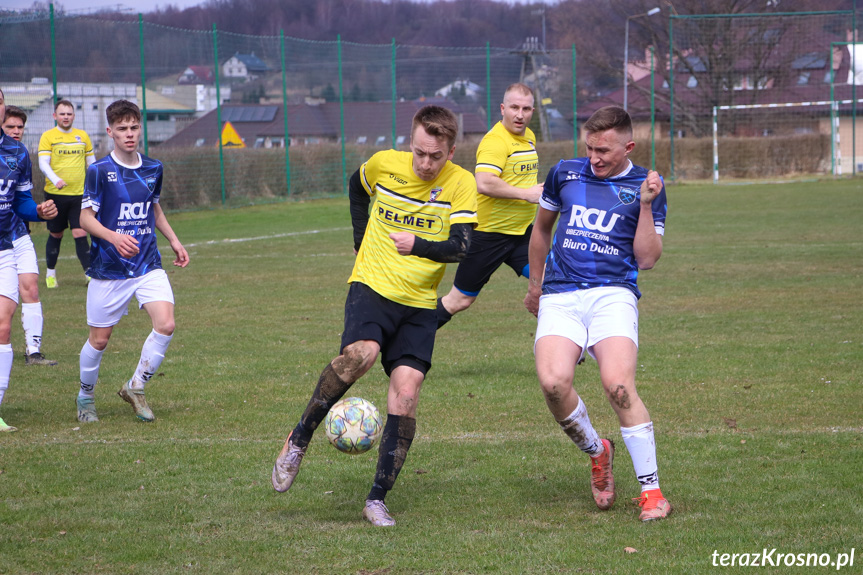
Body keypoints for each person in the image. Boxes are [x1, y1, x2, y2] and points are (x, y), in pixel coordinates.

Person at [271, 105, 478, 527]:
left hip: (420, 302)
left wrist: (417, 244)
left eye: (435, 156)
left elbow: (461, 246)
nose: (425, 163)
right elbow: (355, 186)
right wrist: (359, 238)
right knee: (359, 355)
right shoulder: (385, 164)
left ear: (451, 151)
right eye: (419, 152)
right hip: (372, 286)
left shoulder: (462, 184)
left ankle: (377, 499)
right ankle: (299, 437)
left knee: (407, 392)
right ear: (411, 142)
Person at [524, 106, 671, 522]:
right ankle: (597, 451)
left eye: (604, 150)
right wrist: (535, 286)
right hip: (560, 293)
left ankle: (652, 493)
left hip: (613, 294)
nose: (595, 158)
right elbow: (541, 230)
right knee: (553, 384)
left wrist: (644, 205)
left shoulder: (649, 186)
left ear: (628, 146)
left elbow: (647, 259)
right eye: (589, 148)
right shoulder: (565, 173)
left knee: (618, 386)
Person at [75, 99, 189, 424]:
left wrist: (174, 240)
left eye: (134, 127)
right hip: (108, 269)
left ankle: (135, 387)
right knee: (99, 340)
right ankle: (85, 395)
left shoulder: (154, 168)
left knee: (166, 324)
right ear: (110, 131)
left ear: (141, 128)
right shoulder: (98, 171)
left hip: (147, 263)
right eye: (122, 129)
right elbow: (85, 218)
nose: (129, 134)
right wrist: (113, 237)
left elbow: (154, 209)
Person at [437, 82, 542, 328]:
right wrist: (526, 194)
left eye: (526, 109)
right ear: (503, 108)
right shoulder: (495, 141)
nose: (520, 114)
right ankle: (408, 335)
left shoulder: (529, 137)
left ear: (532, 112)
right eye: (514, 107)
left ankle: (564, 347)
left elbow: (519, 177)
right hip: (488, 235)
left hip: (520, 234)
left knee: (552, 283)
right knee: (459, 300)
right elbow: (484, 182)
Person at [0, 88, 58, 432]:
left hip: (5, 247)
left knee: (3, 324)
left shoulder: (17, 153)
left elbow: (20, 200)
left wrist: (37, 210)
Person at [37, 98, 95, 288]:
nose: (66, 117)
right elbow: (43, 163)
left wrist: (96, 185)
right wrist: (56, 180)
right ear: (55, 116)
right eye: (62, 114)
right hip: (55, 195)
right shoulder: (48, 136)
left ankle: (89, 274)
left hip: (79, 195)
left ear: (74, 116)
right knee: (56, 234)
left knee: (80, 232)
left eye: (69, 114)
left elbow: (92, 164)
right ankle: (51, 274)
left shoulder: (83, 136)